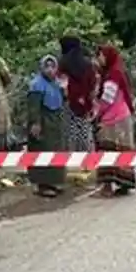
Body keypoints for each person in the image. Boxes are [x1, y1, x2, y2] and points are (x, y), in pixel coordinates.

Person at [93, 45, 136, 197]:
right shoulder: (116, 72)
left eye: (100, 56)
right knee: (123, 151)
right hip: (123, 117)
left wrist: (97, 114)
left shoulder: (113, 75)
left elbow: (107, 99)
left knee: (107, 150)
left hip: (112, 119)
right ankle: (124, 184)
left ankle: (107, 187)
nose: (99, 59)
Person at [26, 54, 66, 198]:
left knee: (56, 152)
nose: (50, 70)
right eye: (46, 66)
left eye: (52, 66)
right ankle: (42, 185)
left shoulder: (57, 83)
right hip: (42, 123)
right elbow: (33, 107)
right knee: (42, 153)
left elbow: (62, 101)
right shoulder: (36, 85)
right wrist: (35, 123)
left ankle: (54, 182)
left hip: (55, 123)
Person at [58, 35, 96, 153]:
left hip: (67, 104)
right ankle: (86, 158)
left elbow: (61, 85)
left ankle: (70, 159)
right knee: (84, 131)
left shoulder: (62, 64)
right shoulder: (88, 65)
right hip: (84, 103)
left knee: (69, 131)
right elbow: (92, 86)